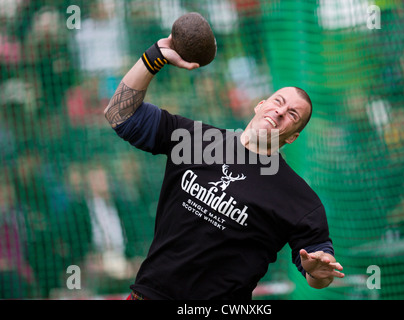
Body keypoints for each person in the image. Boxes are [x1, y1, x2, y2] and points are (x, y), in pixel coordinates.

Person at [104, 35, 344, 300]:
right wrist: (153, 57)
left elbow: (318, 270)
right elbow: (119, 114)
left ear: (292, 137)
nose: (280, 112)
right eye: (278, 102)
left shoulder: (298, 198)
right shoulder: (193, 140)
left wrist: (317, 272)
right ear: (260, 105)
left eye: (292, 115)